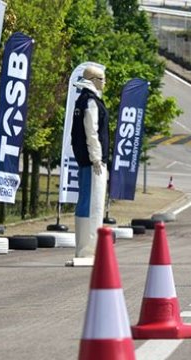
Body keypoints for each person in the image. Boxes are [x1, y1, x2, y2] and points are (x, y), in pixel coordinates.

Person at [71, 65, 109, 258]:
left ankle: (83, 248)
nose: (104, 82)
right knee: (93, 204)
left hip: (84, 159)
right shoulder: (91, 102)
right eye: (102, 79)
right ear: (94, 80)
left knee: (85, 200)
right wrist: (97, 158)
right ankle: (89, 249)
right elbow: (92, 132)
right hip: (93, 161)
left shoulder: (82, 100)